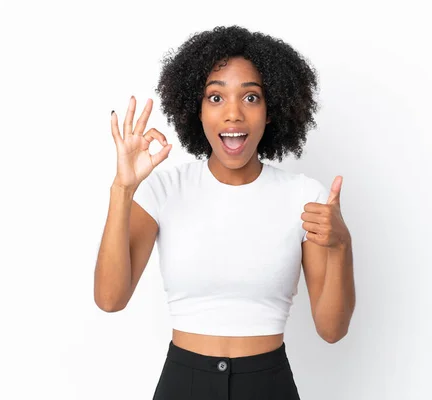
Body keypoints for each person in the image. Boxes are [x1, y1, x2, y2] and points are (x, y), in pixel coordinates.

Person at [94, 25, 355, 400]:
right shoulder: (164, 190)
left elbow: (332, 330)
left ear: (271, 111)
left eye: (251, 97)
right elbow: (109, 299)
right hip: (184, 384)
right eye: (216, 98)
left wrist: (341, 244)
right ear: (195, 110)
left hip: (268, 385)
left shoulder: (305, 197)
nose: (233, 114)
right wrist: (122, 190)